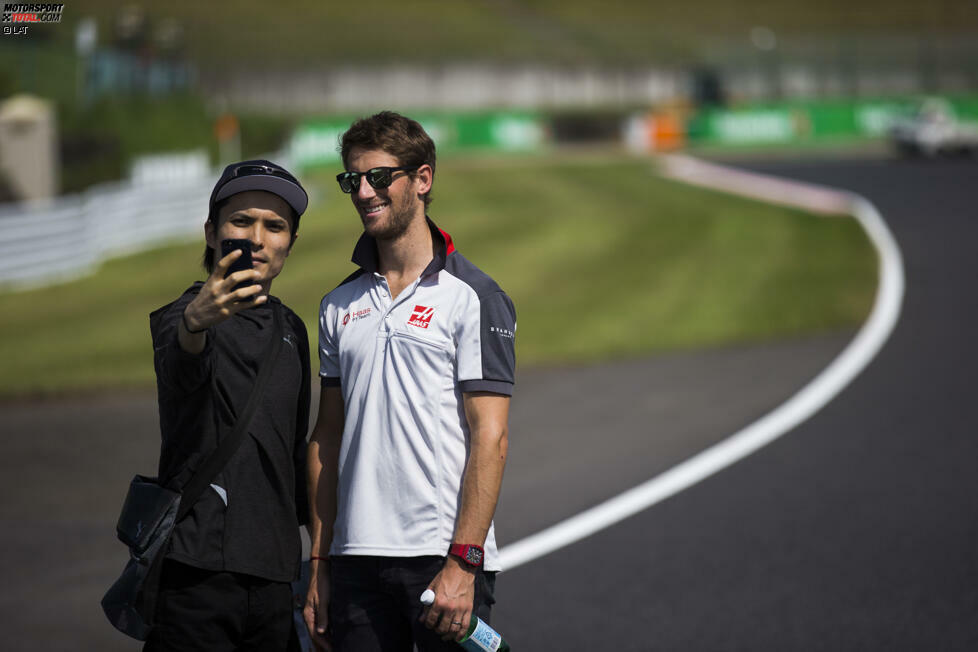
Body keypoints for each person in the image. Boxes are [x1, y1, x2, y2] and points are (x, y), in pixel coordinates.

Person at [304, 111, 516, 651]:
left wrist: (464, 561)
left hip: (442, 558)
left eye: (380, 177)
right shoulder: (336, 305)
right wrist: (320, 564)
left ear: (422, 180)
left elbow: (489, 438)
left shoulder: (475, 297)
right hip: (354, 563)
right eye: (353, 179)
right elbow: (326, 440)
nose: (364, 192)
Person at [146, 160, 311, 652]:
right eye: (241, 221)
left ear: (289, 243)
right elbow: (182, 361)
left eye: (275, 226)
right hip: (196, 574)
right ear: (212, 232)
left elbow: (295, 454)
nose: (257, 238)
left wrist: (321, 564)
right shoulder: (182, 314)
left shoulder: (292, 330)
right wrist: (197, 323)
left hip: (277, 578)